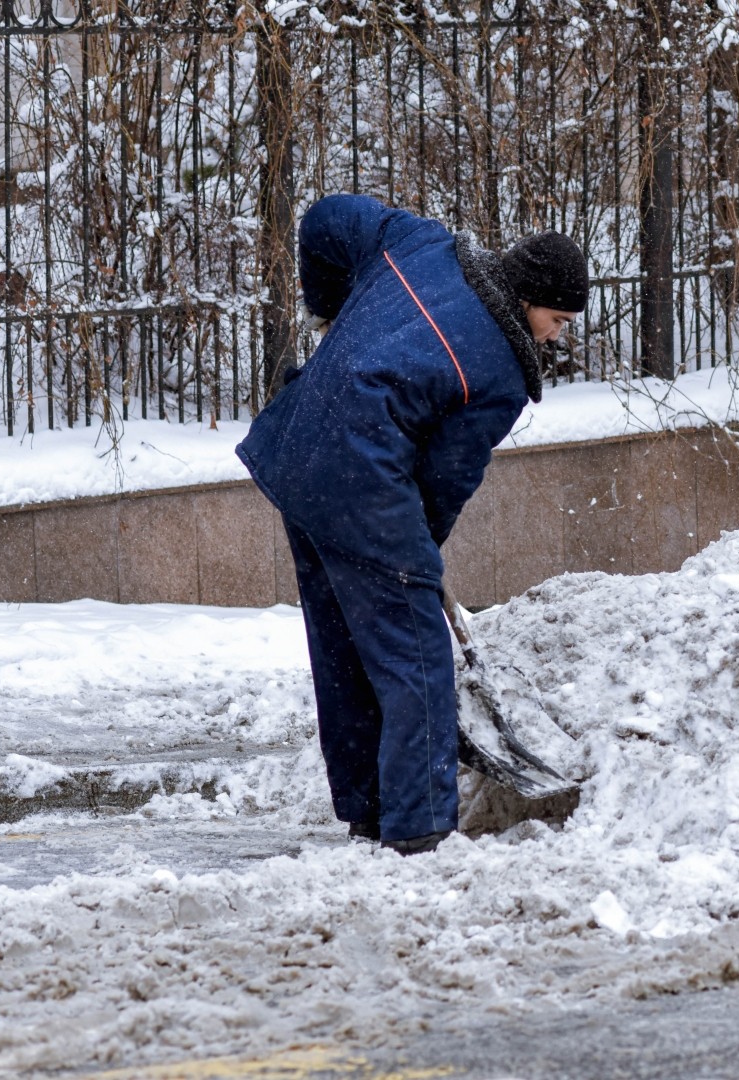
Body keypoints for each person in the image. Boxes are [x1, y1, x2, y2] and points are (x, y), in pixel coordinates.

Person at [237, 193, 588, 855]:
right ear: (526, 299)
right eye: (556, 319)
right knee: (416, 654)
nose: (555, 337)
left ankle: (369, 808)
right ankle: (420, 827)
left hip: (296, 449)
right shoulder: (501, 373)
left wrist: (332, 311)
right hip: (359, 479)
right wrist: (416, 564)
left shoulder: (418, 244)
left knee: (343, 644)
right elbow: (443, 481)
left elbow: (324, 219)